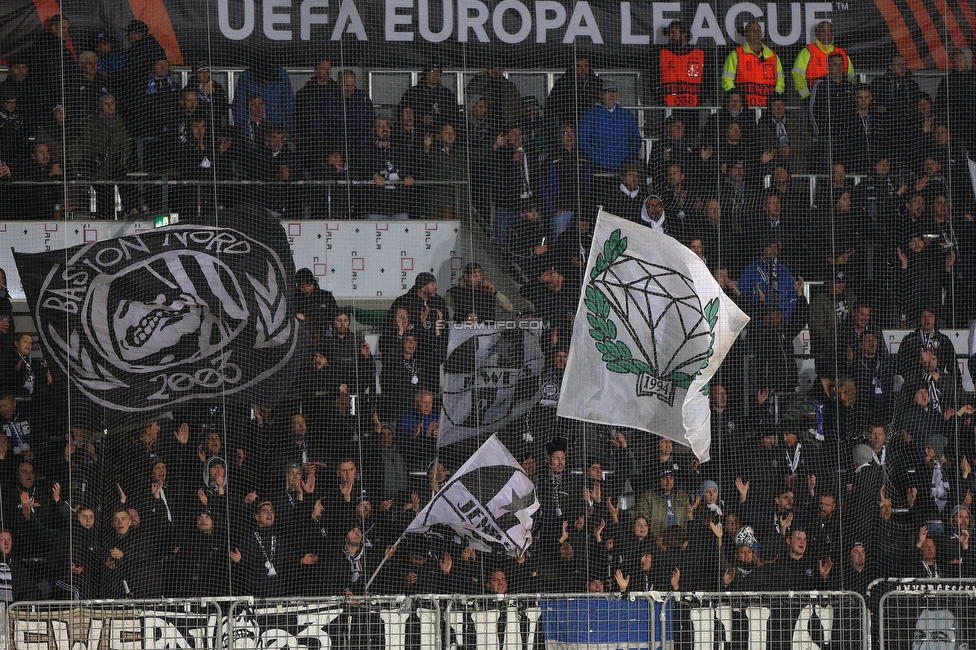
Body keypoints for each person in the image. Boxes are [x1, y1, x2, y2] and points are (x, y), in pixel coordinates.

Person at [577, 81, 642, 174]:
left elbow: (636, 139)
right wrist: (596, 157)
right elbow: (582, 140)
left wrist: (628, 157)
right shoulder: (590, 114)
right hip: (598, 168)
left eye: (614, 91)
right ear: (601, 95)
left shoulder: (626, 114)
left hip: (623, 168)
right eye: (608, 91)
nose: (612, 95)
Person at [721, 20, 785, 107]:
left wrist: (776, 95)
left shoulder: (772, 55)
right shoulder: (736, 54)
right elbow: (727, 79)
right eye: (753, 31)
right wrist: (735, 98)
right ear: (746, 34)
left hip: (768, 106)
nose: (757, 33)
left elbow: (780, 79)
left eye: (759, 31)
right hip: (745, 107)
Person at [792, 20, 855, 101]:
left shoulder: (841, 52)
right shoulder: (807, 51)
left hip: (840, 96)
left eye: (830, 32)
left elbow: (851, 75)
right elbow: (798, 75)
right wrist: (806, 96)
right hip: (815, 97)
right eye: (824, 32)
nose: (827, 35)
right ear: (816, 32)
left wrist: (850, 92)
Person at [545, 57, 601, 136]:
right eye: (579, 66)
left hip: (592, 128)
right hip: (568, 129)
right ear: (573, 67)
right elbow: (550, 108)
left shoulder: (598, 83)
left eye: (585, 66)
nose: (583, 70)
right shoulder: (563, 83)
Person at [399, 63, 460, 131]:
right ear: (426, 74)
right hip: (418, 131)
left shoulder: (447, 94)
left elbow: (455, 115)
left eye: (438, 72)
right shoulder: (412, 93)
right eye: (432, 71)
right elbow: (402, 113)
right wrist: (421, 118)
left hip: (441, 132)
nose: (436, 75)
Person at [445, 263, 513, 323]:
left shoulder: (487, 291)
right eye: (475, 276)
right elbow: (449, 316)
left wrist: (495, 293)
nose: (479, 278)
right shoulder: (454, 293)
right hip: (463, 331)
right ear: (466, 276)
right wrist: (465, 319)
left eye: (480, 275)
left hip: (487, 331)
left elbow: (509, 308)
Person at [466, 62, 521, 131]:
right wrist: (488, 76)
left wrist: (510, 123)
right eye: (494, 68)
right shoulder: (480, 81)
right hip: (484, 123)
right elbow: (471, 91)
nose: (496, 71)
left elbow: (516, 104)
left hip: (504, 124)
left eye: (500, 68)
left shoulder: (508, 86)